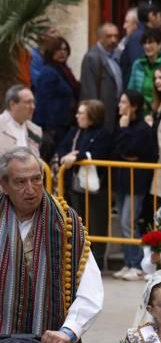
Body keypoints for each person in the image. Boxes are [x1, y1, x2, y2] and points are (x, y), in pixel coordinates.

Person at [0, 147, 103, 343]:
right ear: (4, 185)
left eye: (37, 179)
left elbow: (91, 287)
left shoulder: (66, 222)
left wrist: (69, 331)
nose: (31, 188)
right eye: (21, 182)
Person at [57, 99, 112, 270]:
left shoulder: (103, 134)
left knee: (96, 224)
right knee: (77, 223)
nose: (77, 116)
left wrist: (78, 156)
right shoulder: (76, 132)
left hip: (96, 188)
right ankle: (78, 262)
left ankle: (97, 262)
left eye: (81, 113)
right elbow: (62, 149)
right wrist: (68, 155)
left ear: (92, 116)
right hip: (75, 186)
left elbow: (98, 153)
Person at [111, 90, 157, 281]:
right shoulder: (122, 125)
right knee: (123, 223)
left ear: (134, 106)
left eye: (124, 102)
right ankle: (129, 262)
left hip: (136, 182)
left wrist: (123, 131)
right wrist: (122, 131)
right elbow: (116, 151)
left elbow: (131, 151)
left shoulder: (141, 128)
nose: (120, 106)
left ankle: (138, 264)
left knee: (129, 222)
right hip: (122, 181)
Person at [32, 36, 79, 144]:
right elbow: (44, 101)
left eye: (65, 49)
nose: (62, 53)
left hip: (65, 124)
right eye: (58, 49)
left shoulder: (64, 70)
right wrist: (50, 128)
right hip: (54, 128)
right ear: (51, 52)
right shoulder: (49, 72)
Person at [79, 23, 123, 132]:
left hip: (115, 111)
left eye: (116, 36)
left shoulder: (117, 56)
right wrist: (93, 115)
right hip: (101, 114)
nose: (113, 40)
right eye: (109, 36)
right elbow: (89, 90)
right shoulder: (92, 57)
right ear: (101, 37)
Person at [126, 29, 161, 115]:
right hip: (140, 113)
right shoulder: (138, 64)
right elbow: (131, 90)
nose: (147, 46)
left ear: (160, 45)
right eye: (144, 43)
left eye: (150, 42)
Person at [0, 86, 41, 155]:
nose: (33, 107)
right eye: (28, 102)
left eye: (33, 102)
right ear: (13, 104)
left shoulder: (35, 131)